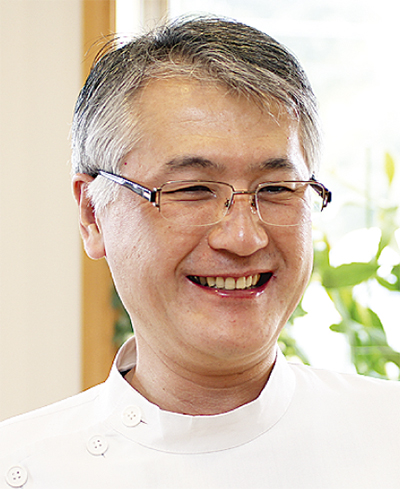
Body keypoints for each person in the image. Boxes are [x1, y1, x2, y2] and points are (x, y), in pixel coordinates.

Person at [0, 16, 399, 489]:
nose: (244, 238)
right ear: (92, 215)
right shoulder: (21, 466)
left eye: (276, 188)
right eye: (192, 189)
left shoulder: (387, 435)